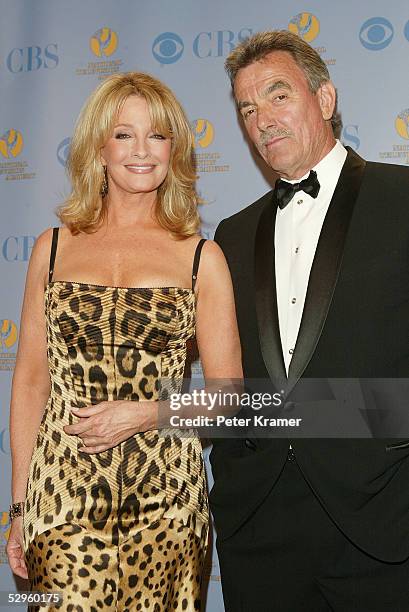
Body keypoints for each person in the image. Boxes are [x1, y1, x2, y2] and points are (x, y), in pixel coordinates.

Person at [6, 72, 242, 611]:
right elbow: (30, 381)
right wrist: (20, 506)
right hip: (61, 501)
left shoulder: (201, 258)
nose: (142, 151)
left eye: (157, 136)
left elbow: (229, 397)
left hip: (166, 505)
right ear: (98, 148)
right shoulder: (52, 247)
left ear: (174, 150)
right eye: (124, 134)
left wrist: (145, 413)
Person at [209, 30, 409, 612]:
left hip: (382, 517)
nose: (262, 120)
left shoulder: (402, 199)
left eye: (278, 96)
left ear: (325, 99)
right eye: (247, 109)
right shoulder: (232, 233)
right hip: (262, 527)